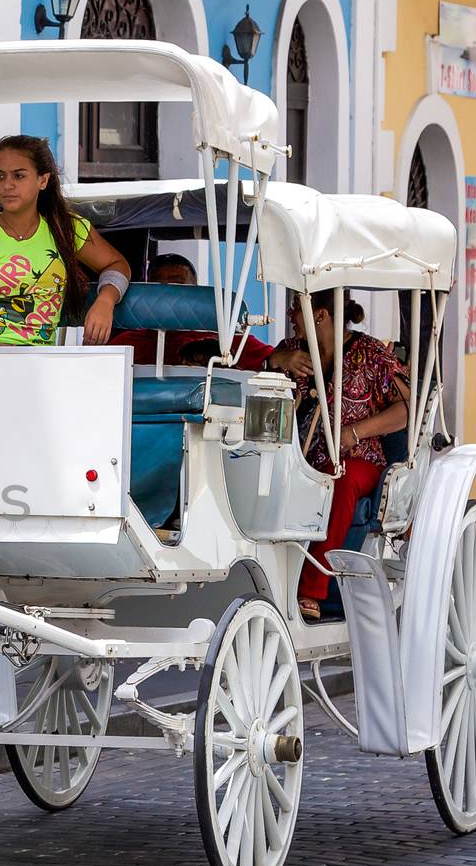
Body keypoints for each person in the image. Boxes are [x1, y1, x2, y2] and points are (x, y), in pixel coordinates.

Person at [267, 291, 410, 620]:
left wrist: (355, 432)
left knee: (339, 478)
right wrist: (276, 362)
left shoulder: (371, 354)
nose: (291, 316)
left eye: (296, 309)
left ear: (319, 315)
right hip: (300, 459)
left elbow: (408, 409)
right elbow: (256, 376)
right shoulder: (291, 351)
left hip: (359, 462)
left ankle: (312, 591)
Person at [0, 136, 132, 346]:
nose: (7, 185)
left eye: (19, 176)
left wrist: (106, 300)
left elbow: (117, 264)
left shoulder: (67, 229)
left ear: (43, 180)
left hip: (40, 364)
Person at [107, 250, 274, 370]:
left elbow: (275, 360)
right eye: (159, 287)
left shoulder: (227, 340)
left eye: (177, 286)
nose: (168, 295)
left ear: (195, 290)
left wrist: (282, 358)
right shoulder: (126, 344)